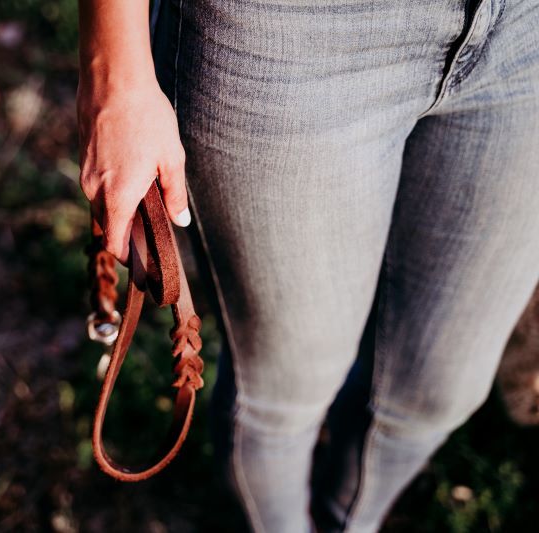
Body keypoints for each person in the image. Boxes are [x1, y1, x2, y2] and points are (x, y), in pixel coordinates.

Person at [76, 0, 539, 531]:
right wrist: (115, 73)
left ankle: (350, 521)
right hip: (290, 35)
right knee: (286, 391)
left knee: (438, 389)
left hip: (525, 31)